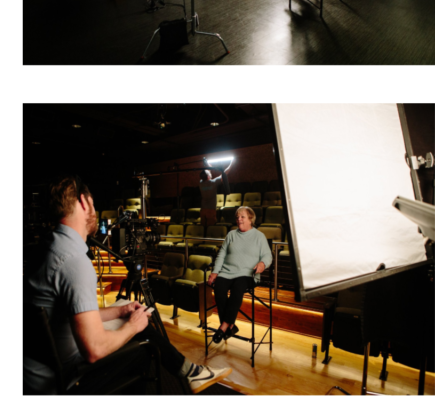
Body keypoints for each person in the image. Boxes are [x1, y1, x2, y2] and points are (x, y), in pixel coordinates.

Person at [24, 175, 231, 393]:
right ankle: (187, 375)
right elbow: (94, 349)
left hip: (35, 374)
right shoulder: (75, 262)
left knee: (129, 313)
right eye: (93, 203)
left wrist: (120, 311)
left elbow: (71, 315)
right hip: (65, 381)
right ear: (83, 202)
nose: (95, 210)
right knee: (143, 346)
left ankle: (189, 371)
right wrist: (133, 326)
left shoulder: (45, 248)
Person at [207, 206, 272, 344]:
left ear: (251, 219)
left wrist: (262, 264)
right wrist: (215, 272)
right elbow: (222, 254)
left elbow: (268, 255)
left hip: (247, 274)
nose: (239, 219)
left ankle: (224, 326)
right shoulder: (231, 234)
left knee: (237, 288)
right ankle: (230, 326)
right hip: (227, 271)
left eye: (242, 217)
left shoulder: (259, 236)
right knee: (219, 288)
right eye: (237, 217)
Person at [199, 163, 230, 231]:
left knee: (203, 229)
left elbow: (205, 174)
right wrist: (232, 164)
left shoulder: (200, 183)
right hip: (211, 210)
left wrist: (208, 164)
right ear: (208, 177)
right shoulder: (214, 182)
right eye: (209, 173)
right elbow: (224, 173)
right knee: (210, 229)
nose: (210, 173)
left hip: (203, 210)